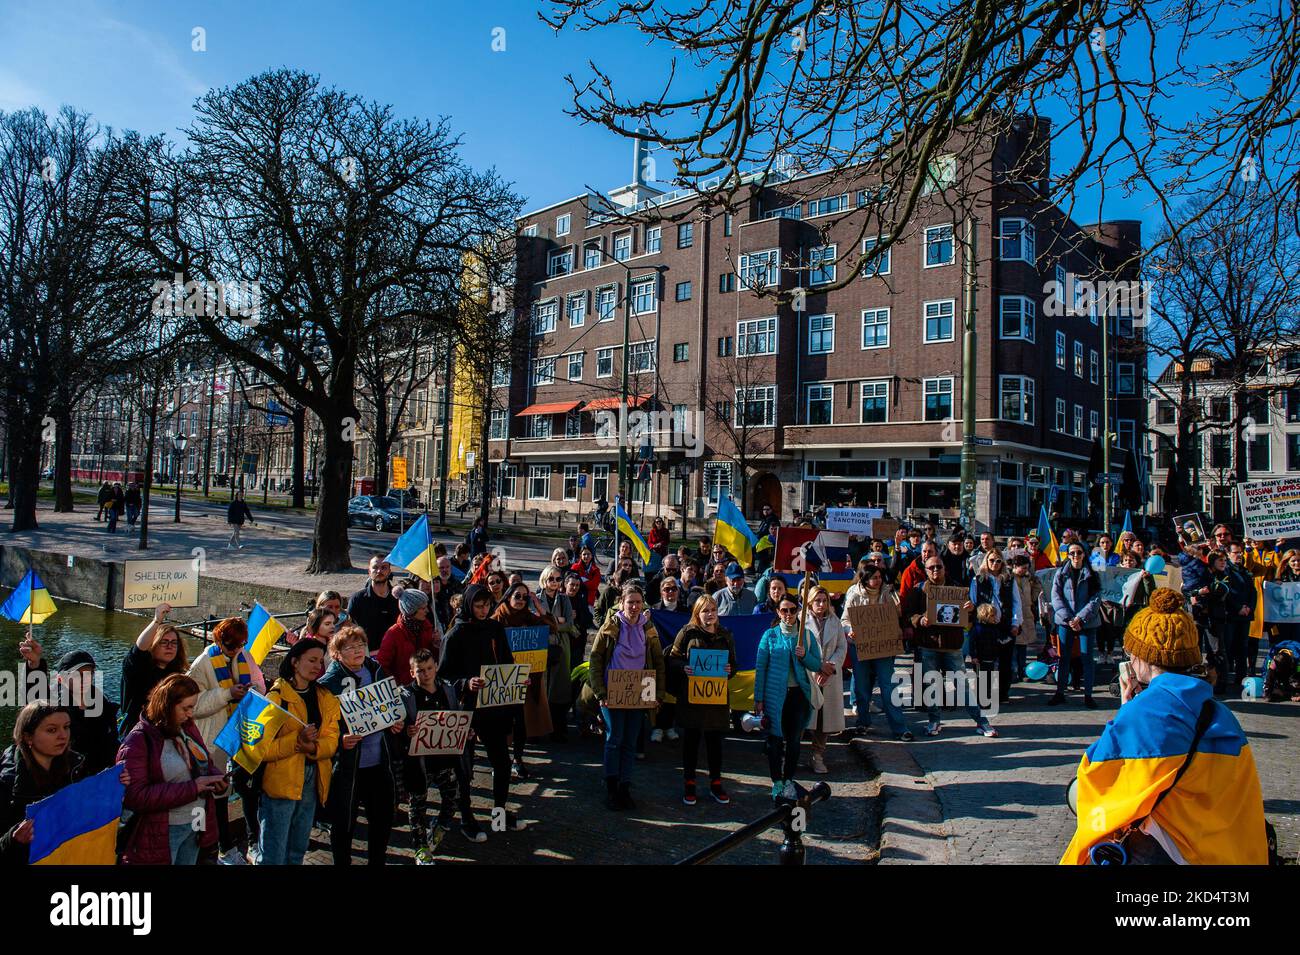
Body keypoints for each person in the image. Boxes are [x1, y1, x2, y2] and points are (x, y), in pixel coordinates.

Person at [1061, 589, 1268, 864]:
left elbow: (1094, 783)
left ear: (1141, 658)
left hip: (1173, 851)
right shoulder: (1220, 713)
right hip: (1226, 853)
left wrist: (1128, 714)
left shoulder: (1146, 713)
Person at [439, 584, 527, 839]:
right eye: (478, 606)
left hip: (493, 706)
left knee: (501, 762)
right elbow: (444, 676)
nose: (484, 610)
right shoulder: (455, 634)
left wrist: (516, 680)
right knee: (464, 769)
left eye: (487, 605)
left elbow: (507, 662)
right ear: (468, 605)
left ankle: (499, 813)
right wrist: (466, 682)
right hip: (467, 708)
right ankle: (467, 818)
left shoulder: (494, 627)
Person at [1, 703, 127, 865]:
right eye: (52, 730)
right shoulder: (7, 781)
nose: (63, 735)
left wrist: (115, 793)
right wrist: (13, 839)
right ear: (28, 737)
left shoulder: (77, 768)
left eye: (66, 727)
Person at [318, 625, 402, 866]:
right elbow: (322, 726)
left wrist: (396, 721)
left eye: (360, 645)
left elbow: (391, 705)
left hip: (379, 761)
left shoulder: (375, 670)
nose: (357, 651)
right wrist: (339, 740)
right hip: (348, 767)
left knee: (383, 819)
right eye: (349, 647)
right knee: (344, 823)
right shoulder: (328, 683)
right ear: (336, 653)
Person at [117, 674, 223, 865]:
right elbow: (135, 795)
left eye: (193, 707)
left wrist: (216, 778)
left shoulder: (186, 727)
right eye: (186, 708)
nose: (191, 714)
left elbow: (204, 762)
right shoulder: (138, 741)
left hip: (195, 821)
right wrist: (193, 788)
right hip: (164, 830)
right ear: (167, 705)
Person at [187, 617, 266, 865]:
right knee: (210, 794)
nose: (235, 650)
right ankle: (212, 846)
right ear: (220, 641)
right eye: (231, 646)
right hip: (214, 736)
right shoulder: (202, 664)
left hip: (240, 729)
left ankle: (239, 844)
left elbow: (260, 685)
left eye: (240, 645)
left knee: (242, 787)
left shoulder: (245, 656)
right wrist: (227, 694)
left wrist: (252, 690)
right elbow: (195, 705)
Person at [258, 639, 341, 866]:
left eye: (320, 661)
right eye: (311, 660)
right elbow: (261, 749)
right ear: (295, 662)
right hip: (281, 780)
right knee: (274, 853)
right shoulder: (276, 698)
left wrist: (313, 748)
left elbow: (332, 740)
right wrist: (296, 742)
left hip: (312, 778)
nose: (317, 666)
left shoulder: (325, 697)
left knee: (298, 849)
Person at [587, 583, 666, 810]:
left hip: (638, 693)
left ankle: (625, 786)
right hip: (612, 693)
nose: (634, 606)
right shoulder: (610, 627)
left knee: (631, 742)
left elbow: (658, 662)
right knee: (614, 739)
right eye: (630, 602)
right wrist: (600, 692)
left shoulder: (648, 629)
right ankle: (611, 786)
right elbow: (595, 660)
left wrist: (658, 693)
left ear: (643, 605)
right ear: (621, 603)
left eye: (638, 603)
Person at [902, 556, 993, 736]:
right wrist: (920, 620)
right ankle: (934, 721)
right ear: (926, 571)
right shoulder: (918, 590)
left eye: (939, 567)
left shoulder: (958, 589)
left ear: (945, 568)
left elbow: (970, 619)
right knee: (931, 687)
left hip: (953, 646)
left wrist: (970, 609)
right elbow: (909, 615)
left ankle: (981, 722)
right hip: (928, 645)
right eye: (931, 568)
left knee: (963, 686)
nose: (935, 570)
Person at [399, 649, 473, 864]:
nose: (426, 674)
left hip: (445, 759)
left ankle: (440, 825)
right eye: (420, 671)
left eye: (430, 668)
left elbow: (456, 716)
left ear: (436, 667)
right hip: (419, 762)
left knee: (452, 797)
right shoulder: (406, 695)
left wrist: (465, 731)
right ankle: (420, 847)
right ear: (412, 672)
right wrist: (406, 731)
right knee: (417, 805)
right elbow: (398, 726)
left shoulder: (447, 690)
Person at [666, 594, 736, 805]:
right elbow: (673, 658)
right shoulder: (687, 633)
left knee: (715, 742)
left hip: (716, 698)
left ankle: (716, 782)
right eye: (705, 610)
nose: (710, 614)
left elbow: (733, 663)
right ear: (697, 613)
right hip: (692, 697)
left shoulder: (725, 635)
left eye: (713, 610)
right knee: (692, 741)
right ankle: (690, 782)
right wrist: (683, 667)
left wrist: (729, 670)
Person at [755, 595, 823, 797]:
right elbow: (761, 667)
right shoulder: (770, 636)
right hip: (775, 695)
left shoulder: (806, 636)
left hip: (798, 696)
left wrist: (804, 656)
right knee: (775, 740)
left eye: (793, 610)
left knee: (794, 740)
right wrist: (758, 698)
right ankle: (776, 781)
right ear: (778, 612)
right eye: (784, 610)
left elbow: (816, 665)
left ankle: (788, 780)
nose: (789, 614)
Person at [16, 642, 121, 774]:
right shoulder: (54, 705)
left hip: (100, 780)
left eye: (89, 674)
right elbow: (33, 700)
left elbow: (111, 743)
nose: (85, 679)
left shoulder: (103, 704)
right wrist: (34, 664)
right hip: (66, 779)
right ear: (61, 679)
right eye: (77, 675)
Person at [493, 582, 556, 775]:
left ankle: (517, 759)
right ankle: (501, 761)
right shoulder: (497, 619)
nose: (521, 600)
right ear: (508, 597)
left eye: (524, 597)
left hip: (524, 680)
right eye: (517, 596)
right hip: (502, 679)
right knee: (502, 724)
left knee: (520, 722)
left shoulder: (529, 617)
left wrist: (539, 609)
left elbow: (552, 628)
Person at [841, 565, 911, 740]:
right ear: (865, 579)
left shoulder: (888, 593)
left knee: (888, 687)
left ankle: (899, 727)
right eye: (874, 577)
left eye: (880, 576)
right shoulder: (853, 593)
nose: (878, 580)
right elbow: (844, 619)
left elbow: (896, 616)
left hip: (883, 647)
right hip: (860, 646)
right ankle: (863, 723)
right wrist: (850, 630)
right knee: (862, 688)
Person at [119, 603, 187, 740]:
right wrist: (157, 621)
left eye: (174, 643)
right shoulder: (138, 669)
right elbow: (138, 650)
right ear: (153, 645)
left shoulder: (177, 674)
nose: (170, 646)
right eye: (164, 642)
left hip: (165, 736)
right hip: (138, 736)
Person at [1049, 542, 1102, 708]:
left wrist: (1080, 618)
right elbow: (1056, 597)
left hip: (1087, 621)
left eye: (1079, 552)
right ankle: (1060, 693)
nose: (1075, 556)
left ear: (1084, 554)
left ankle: (1088, 695)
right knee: (1063, 657)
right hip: (1066, 621)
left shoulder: (1093, 574)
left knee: (1087, 657)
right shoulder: (1061, 573)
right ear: (1068, 555)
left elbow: (1096, 598)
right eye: (1072, 553)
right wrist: (1069, 619)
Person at [803, 586, 848, 775]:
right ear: (810, 602)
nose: (821, 604)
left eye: (824, 600)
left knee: (823, 720)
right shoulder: (800, 621)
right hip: (808, 675)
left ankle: (817, 755)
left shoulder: (835, 621)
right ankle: (789, 754)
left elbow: (841, 647)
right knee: (802, 718)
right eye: (817, 601)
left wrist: (831, 666)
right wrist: (817, 666)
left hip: (828, 677)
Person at [970, 550, 1020, 704]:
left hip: (1004, 624)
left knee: (1005, 662)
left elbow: (1016, 602)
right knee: (985, 662)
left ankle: (1003, 694)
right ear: (986, 560)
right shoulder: (978, 579)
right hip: (985, 626)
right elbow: (972, 601)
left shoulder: (1009, 579)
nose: (995, 564)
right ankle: (983, 695)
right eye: (992, 560)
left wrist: (1016, 622)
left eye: (998, 561)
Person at [536, 567, 576, 741]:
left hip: (561, 646)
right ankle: (540, 727)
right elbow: (536, 623)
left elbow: (569, 624)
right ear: (545, 578)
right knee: (541, 688)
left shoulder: (564, 600)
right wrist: (557, 621)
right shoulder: (536, 599)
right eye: (551, 578)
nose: (555, 582)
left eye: (559, 579)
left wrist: (550, 622)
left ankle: (558, 728)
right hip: (542, 644)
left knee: (559, 688)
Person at [377, 589, 438, 687]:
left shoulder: (427, 627)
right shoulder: (393, 633)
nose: (427, 611)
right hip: (405, 689)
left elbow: (432, 658)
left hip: (427, 685)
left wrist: (437, 645)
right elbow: (382, 665)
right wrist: (397, 685)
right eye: (423, 608)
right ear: (411, 611)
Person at [347, 555, 400, 653]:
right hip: (366, 656)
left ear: (389, 571)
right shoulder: (357, 599)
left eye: (384, 567)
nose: (379, 571)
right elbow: (348, 629)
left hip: (394, 654)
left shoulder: (398, 599)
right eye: (375, 567)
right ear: (369, 571)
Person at [1225, 542, 1258, 687]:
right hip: (1231, 615)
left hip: (1245, 615)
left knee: (1242, 647)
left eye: (1240, 552)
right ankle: (1224, 678)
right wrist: (1238, 607)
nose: (1239, 555)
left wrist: (1249, 607)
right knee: (1228, 647)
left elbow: (1253, 592)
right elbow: (1228, 592)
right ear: (1228, 554)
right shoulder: (1226, 571)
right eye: (1235, 552)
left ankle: (1241, 677)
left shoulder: (1245, 571)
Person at [1008, 555, 1043, 682]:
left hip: (1027, 614)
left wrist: (1036, 583)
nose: (1025, 570)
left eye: (1027, 568)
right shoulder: (1008, 578)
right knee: (1013, 648)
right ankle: (1012, 671)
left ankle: (1022, 671)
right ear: (1015, 566)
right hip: (1014, 615)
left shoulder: (1027, 579)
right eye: (1023, 568)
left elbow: (1033, 597)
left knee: (1022, 647)